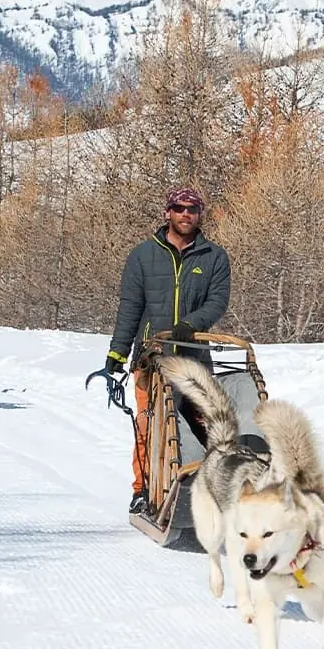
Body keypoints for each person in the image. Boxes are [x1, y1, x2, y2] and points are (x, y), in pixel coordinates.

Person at [105, 187, 232, 517]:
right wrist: (117, 355)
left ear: (199, 215)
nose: (185, 214)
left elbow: (217, 301)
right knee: (151, 426)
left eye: (192, 209)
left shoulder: (214, 257)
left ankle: (209, 489)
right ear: (168, 213)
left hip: (195, 358)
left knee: (207, 424)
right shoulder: (143, 256)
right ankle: (142, 489)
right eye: (179, 208)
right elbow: (130, 308)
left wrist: (192, 323)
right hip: (152, 358)